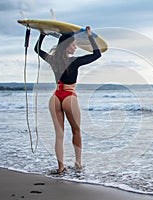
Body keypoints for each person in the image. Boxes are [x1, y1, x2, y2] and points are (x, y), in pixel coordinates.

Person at [34, 26, 101, 173]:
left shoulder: (53, 60)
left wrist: (42, 35)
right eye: (73, 45)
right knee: (76, 131)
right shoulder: (75, 62)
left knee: (59, 135)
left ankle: (60, 167)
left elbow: (36, 49)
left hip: (56, 97)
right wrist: (90, 36)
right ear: (66, 46)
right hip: (69, 97)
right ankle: (78, 163)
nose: (75, 47)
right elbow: (97, 54)